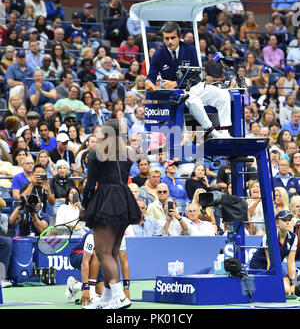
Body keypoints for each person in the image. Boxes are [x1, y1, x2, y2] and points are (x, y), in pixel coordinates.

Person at [81, 119, 141, 309]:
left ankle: (119, 297)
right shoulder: (128, 152)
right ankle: (107, 297)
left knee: (103, 252)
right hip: (125, 199)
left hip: (106, 199)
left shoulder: (95, 153)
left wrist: (85, 204)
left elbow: (90, 185)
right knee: (112, 252)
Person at [145, 21, 232, 138]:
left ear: (180, 37)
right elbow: (151, 76)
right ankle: (213, 133)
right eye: (166, 38)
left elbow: (195, 76)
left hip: (196, 87)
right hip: (178, 94)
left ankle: (225, 133)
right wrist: (148, 82)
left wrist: (175, 83)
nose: (170, 42)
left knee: (224, 94)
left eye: (173, 38)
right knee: (193, 101)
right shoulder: (158, 55)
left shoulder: (190, 50)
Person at [249, 210, 297, 295]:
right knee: (284, 290)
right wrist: (271, 281)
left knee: (289, 289)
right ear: (277, 223)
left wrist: (293, 283)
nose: (288, 222)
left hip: (277, 265)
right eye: (284, 220)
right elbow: (270, 263)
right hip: (259, 265)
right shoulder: (269, 236)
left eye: (289, 220)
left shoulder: (293, 237)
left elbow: (291, 262)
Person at [66, 228, 103, 307]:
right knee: (95, 253)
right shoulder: (94, 234)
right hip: (78, 255)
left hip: (95, 258)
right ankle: (91, 293)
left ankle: (73, 285)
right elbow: (85, 262)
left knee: (101, 292)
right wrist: (86, 288)